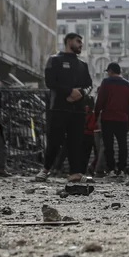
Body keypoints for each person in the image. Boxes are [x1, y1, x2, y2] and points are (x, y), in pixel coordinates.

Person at [38, 32, 93, 183]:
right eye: (78, 41)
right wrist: (69, 92)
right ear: (69, 41)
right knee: (55, 140)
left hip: (78, 110)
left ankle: (74, 173)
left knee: (76, 141)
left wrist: (80, 93)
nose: (81, 44)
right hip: (58, 108)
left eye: (81, 42)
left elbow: (89, 85)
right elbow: (50, 82)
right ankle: (45, 170)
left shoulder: (82, 65)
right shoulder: (55, 60)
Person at [93, 62, 129, 177]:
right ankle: (121, 169)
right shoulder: (127, 84)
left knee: (108, 145)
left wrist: (96, 116)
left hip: (108, 119)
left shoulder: (106, 82)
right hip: (123, 119)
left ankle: (111, 169)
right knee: (123, 145)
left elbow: (100, 101)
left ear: (110, 71)